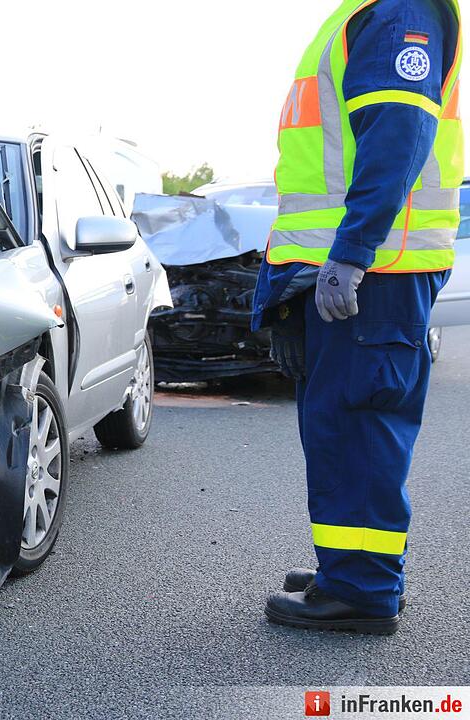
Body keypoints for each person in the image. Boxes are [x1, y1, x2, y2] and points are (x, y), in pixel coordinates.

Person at [253, 0, 461, 635]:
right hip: (366, 273)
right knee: (345, 429)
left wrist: (350, 254)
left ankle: (362, 589)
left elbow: (398, 132)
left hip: (373, 276)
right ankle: (355, 568)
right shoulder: (373, 13)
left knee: (360, 428)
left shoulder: (398, 10)